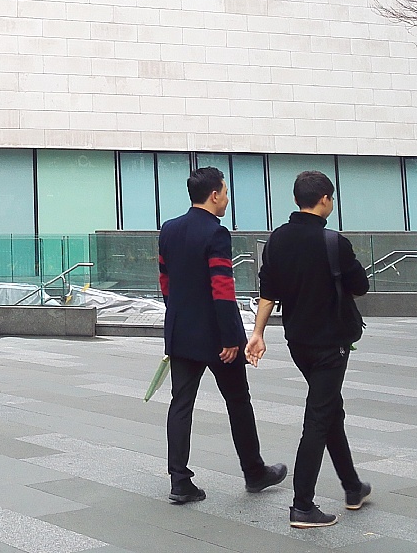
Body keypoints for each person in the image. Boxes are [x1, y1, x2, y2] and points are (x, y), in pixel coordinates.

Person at [246, 170, 372, 529]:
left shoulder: (276, 240)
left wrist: (258, 333)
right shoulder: (334, 242)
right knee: (318, 417)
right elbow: (360, 286)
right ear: (325, 200)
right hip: (332, 344)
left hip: (299, 342)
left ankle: (352, 487)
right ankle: (302, 505)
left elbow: (267, 294)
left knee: (330, 409)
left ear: (296, 199)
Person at [159, 166, 287, 504]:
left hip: (181, 333)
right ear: (214, 195)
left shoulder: (169, 229)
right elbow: (222, 288)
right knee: (238, 400)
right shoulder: (216, 233)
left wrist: (178, 319)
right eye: (226, 193)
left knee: (181, 403)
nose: (227, 199)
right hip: (217, 338)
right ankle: (254, 471)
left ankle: (179, 481)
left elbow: (165, 283)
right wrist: (231, 338)